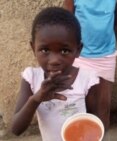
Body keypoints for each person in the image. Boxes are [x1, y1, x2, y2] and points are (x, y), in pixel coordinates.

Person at [11, 7, 100, 141]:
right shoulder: (31, 78)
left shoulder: (87, 79)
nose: (54, 61)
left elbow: (95, 121)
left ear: (78, 50)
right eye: (45, 50)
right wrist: (36, 99)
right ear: (33, 48)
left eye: (64, 51)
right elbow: (16, 129)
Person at [63, 0, 117, 130]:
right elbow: (68, 22)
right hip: (80, 55)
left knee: (102, 106)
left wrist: (106, 46)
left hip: (106, 56)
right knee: (79, 104)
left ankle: (101, 135)